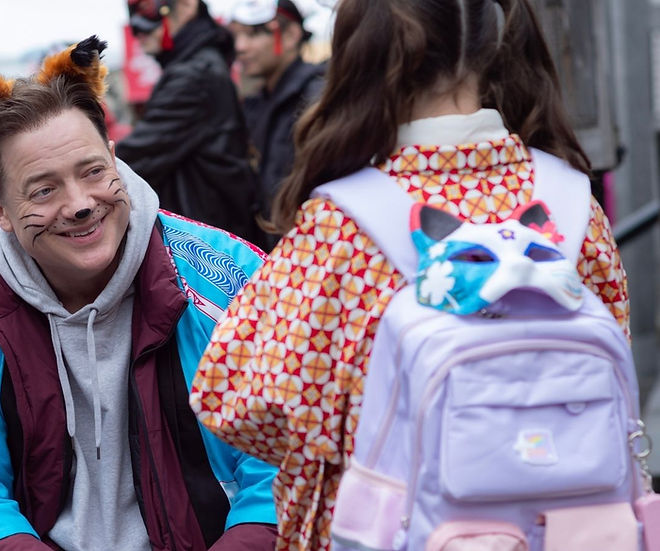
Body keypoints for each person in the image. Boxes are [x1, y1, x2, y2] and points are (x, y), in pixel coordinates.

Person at [189, 0, 630, 549]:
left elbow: (236, 404)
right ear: (499, 45)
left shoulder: (341, 224)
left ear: (365, 51)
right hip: (566, 525)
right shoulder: (569, 203)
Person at [0, 37, 278, 550]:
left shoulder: (229, 276)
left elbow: (289, 452)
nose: (80, 204)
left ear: (114, 159)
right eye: (43, 190)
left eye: (93, 172)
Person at [117, 0, 264, 246]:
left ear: (186, 5)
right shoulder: (195, 66)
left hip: (208, 241)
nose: (138, 30)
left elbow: (135, 157)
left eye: (146, 9)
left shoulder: (195, 74)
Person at [229, 0, 324, 248]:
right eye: (236, 35)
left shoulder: (318, 96)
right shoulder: (256, 101)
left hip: (310, 245)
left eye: (253, 34)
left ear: (291, 34)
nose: (240, 47)